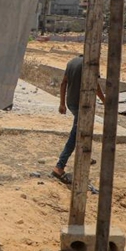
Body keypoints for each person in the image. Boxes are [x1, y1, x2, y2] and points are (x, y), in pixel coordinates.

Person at [52, 54, 105, 184]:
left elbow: (63, 83)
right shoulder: (91, 64)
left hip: (71, 103)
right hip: (84, 106)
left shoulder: (71, 62)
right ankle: (59, 167)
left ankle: (84, 156)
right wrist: (105, 100)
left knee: (83, 130)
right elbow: (96, 86)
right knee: (75, 135)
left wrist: (62, 104)